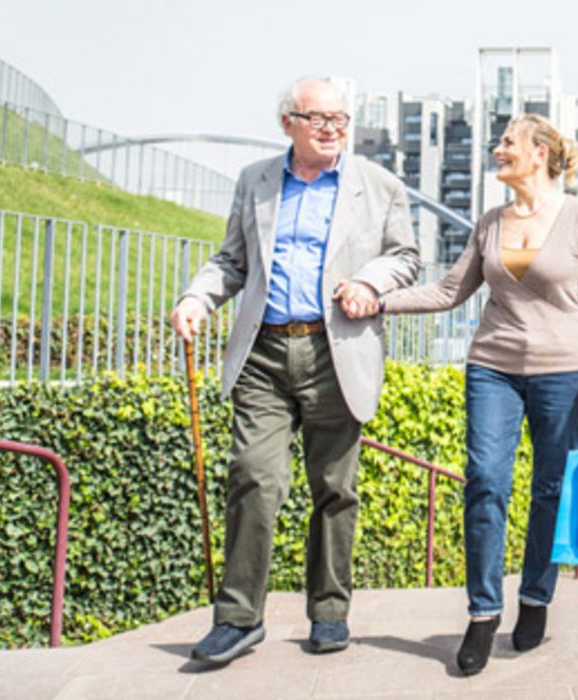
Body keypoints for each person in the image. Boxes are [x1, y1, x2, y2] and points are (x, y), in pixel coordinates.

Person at [169, 78, 420, 664]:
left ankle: (329, 612)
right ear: (288, 123)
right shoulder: (256, 180)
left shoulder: (379, 186)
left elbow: (406, 258)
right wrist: (197, 298)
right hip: (263, 353)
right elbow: (232, 260)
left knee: (335, 489)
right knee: (255, 478)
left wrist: (369, 282)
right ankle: (237, 618)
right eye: (318, 118)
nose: (332, 128)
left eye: (340, 118)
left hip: (337, 353)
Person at [366, 114, 578, 675]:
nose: (498, 148)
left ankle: (535, 598)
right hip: (493, 366)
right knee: (485, 482)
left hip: (565, 370)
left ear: (541, 155)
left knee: (549, 488)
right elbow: (452, 290)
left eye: (508, 142)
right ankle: (483, 612)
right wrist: (378, 299)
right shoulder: (490, 221)